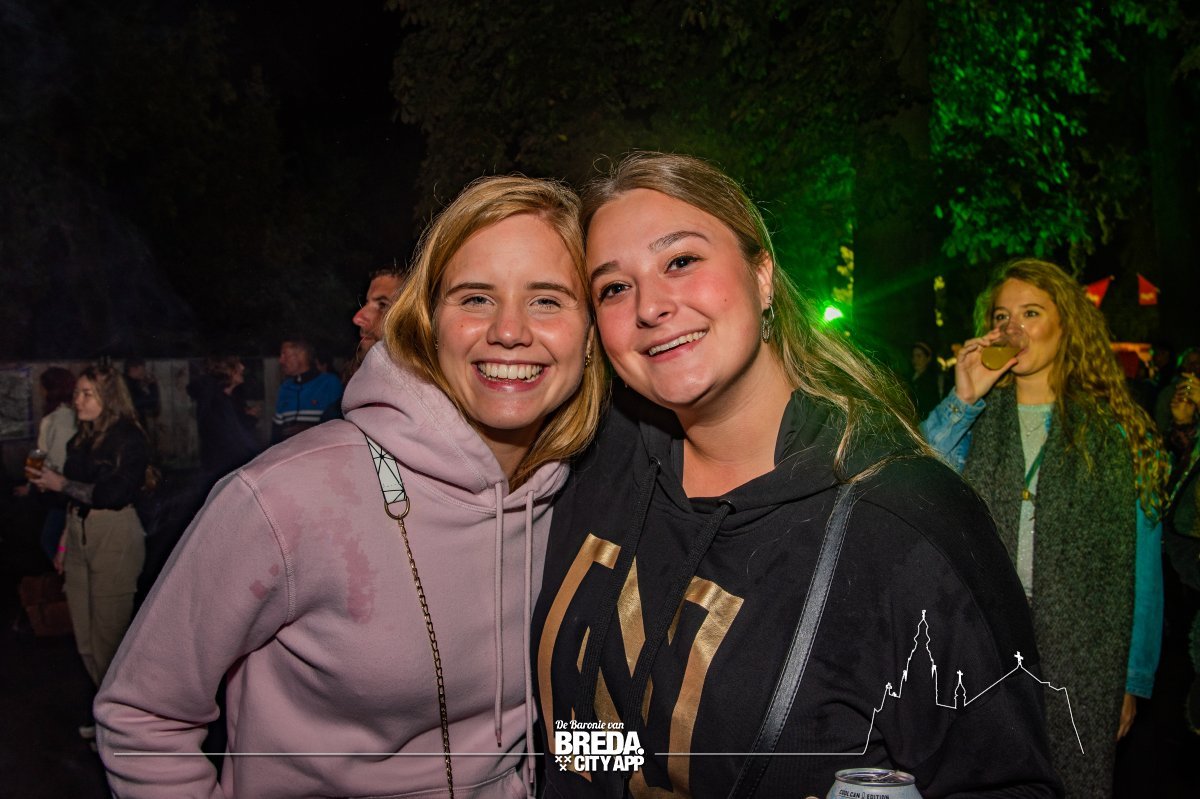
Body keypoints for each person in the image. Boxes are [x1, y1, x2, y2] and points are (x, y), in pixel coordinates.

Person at [533, 153, 1060, 797]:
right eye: (614, 288)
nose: (650, 306)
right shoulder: (594, 465)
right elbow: (596, 740)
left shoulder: (906, 521)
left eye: (681, 261)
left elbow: (1006, 783)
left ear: (763, 277)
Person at [94, 174, 605, 798]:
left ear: (591, 335)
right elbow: (142, 719)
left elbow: (557, 727)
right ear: (427, 324)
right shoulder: (284, 498)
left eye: (547, 299)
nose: (509, 330)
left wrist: (658, 768)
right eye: (475, 297)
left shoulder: (588, 499)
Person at [920, 258, 1168, 798]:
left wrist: (1132, 680)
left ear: (1066, 325)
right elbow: (911, 488)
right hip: (979, 651)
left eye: (1031, 313)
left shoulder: (1118, 433)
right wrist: (963, 400)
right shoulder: (974, 420)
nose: (1014, 328)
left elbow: (1143, 571)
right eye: (1002, 316)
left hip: (1085, 662)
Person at [25, 364, 151, 743]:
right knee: (85, 640)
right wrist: (65, 542)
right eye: (77, 392)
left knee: (108, 640)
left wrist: (61, 482)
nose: (77, 400)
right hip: (78, 531)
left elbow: (113, 493)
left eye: (86, 394)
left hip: (113, 533)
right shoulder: (82, 437)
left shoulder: (129, 437)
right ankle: (110, 717)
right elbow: (72, 496)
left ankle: (129, 728)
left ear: (109, 398)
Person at [13, 366, 77, 562]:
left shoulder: (58, 418)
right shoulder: (62, 416)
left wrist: (33, 482)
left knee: (50, 539)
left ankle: (65, 574)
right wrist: (30, 482)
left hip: (58, 489)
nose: (40, 391)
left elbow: (50, 457)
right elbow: (40, 452)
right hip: (59, 488)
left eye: (42, 387)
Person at [186, 356, 261, 488]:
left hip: (229, 468)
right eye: (237, 364)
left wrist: (248, 417)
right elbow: (232, 438)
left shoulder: (229, 397)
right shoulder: (215, 402)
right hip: (223, 472)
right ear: (225, 370)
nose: (242, 367)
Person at [270, 335, 342, 441]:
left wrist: (310, 429)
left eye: (285, 354)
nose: (281, 360)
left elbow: (341, 426)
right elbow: (276, 433)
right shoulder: (285, 387)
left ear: (302, 355)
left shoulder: (330, 382)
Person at [122, 357, 160, 430]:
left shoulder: (126, 383)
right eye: (142, 369)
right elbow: (151, 402)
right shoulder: (130, 386)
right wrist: (152, 385)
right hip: (132, 428)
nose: (144, 372)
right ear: (133, 369)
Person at [908, 340, 942, 419]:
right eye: (913, 356)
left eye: (919, 356)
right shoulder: (910, 377)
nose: (915, 360)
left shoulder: (931, 381)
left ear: (928, 358)